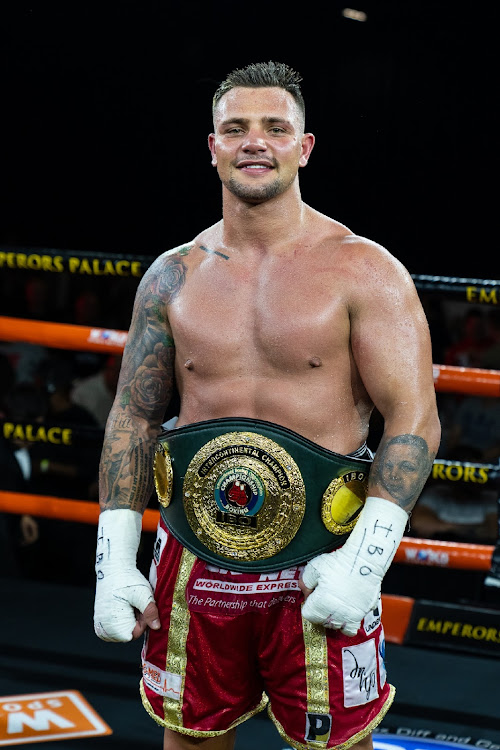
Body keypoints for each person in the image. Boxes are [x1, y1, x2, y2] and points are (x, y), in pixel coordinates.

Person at [93, 61, 441, 750]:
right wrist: (114, 561)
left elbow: (414, 418)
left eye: (275, 128)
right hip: (195, 556)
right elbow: (134, 416)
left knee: (333, 745)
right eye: (236, 128)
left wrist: (365, 564)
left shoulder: (364, 270)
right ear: (213, 146)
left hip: (323, 556)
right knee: (188, 738)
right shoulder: (173, 275)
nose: (255, 142)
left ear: (304, 146)